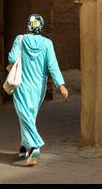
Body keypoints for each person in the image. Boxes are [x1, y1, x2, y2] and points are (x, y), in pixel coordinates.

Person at [7, 14, 68, 167]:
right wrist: (60, 84)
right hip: (38, 86)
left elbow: (12, 58)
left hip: (22, 84)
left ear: (28, 25)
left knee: (24, 115)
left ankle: (34, 146)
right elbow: (52, 65)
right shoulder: (47, 43)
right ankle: (24, 146)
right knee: (29, 116)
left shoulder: (20, 39)